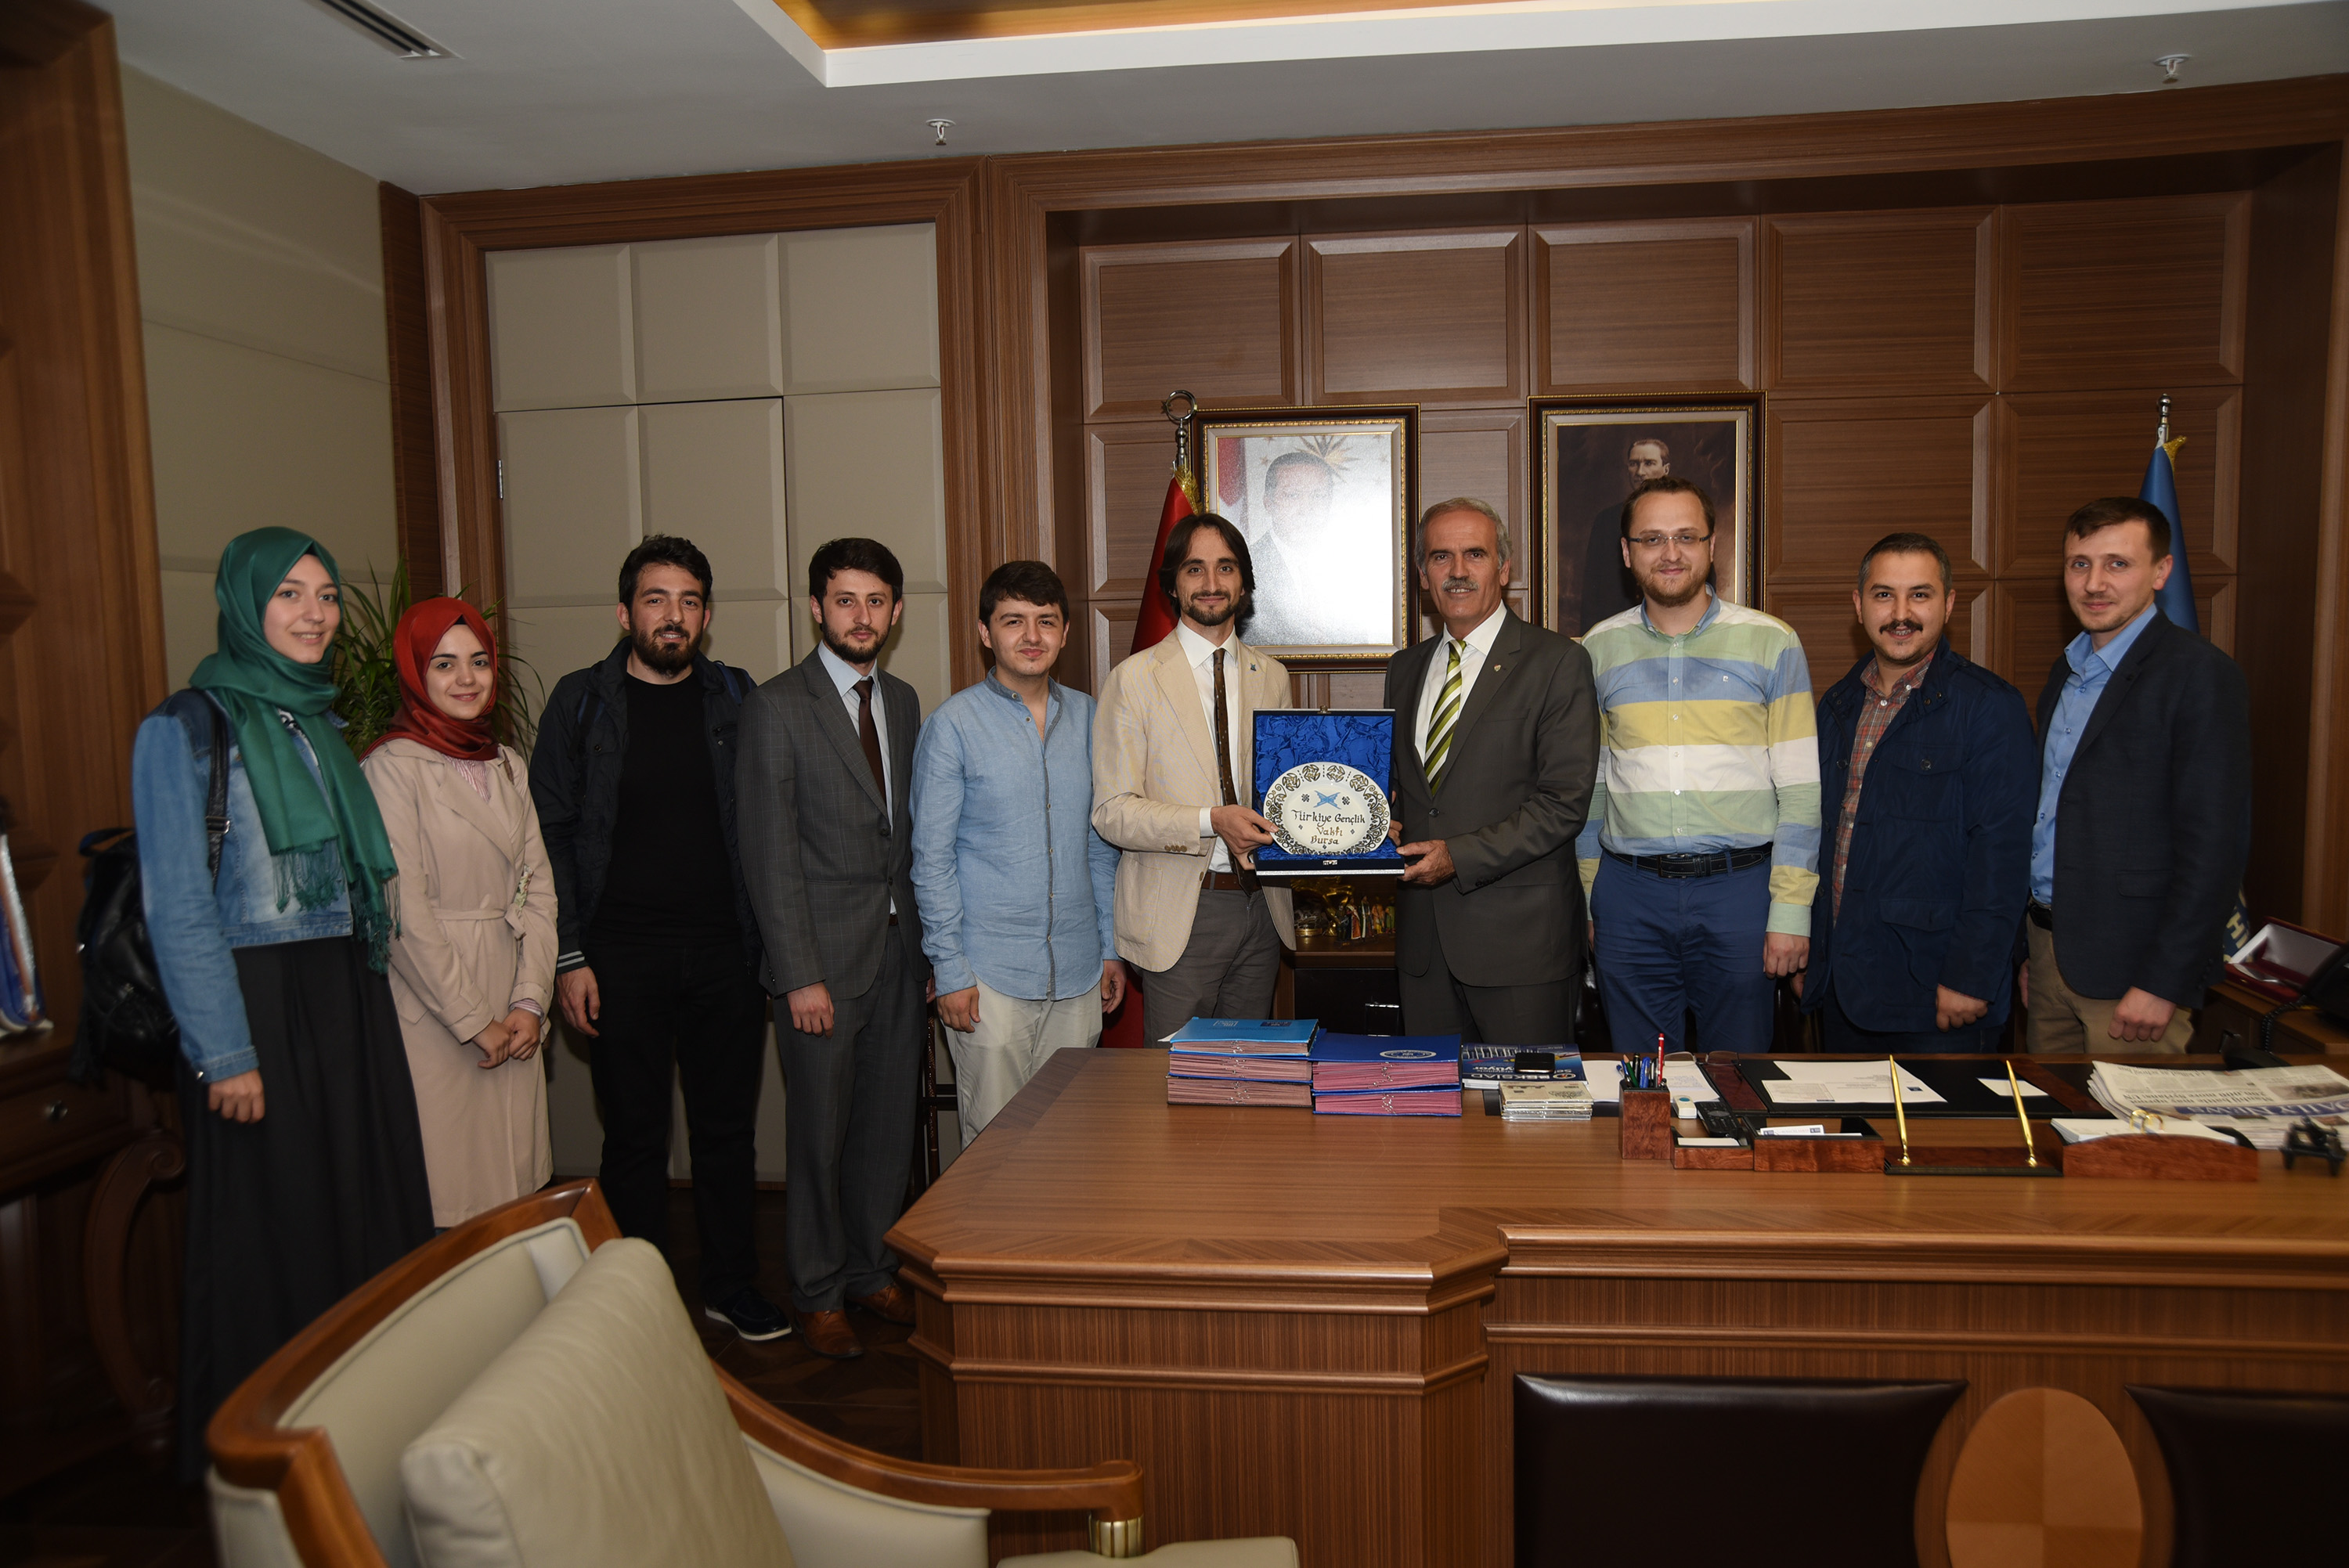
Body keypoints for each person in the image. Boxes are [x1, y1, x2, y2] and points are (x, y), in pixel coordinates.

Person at [132, 527, 432, 1476]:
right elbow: (178, 904)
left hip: (345, 996)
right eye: (290, 594)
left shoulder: (318, 720)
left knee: (359, 1216)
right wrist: (226, 1052)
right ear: (244, 603)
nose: (316, 614)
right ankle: (264, 1459)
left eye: (327, 594)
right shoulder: (184, 726)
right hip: (254, 1007)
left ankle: (356, 1438)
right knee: (272, 1235)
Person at [528, 535, 781, 1341]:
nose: (673, 615)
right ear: (624, 611)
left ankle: (730, 1284)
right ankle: (634, 1299)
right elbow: (549, 835)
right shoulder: (580, 702)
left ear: (706, 615)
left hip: (725, 954)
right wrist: (570, 954)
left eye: (689, 601)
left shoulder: (737, 697)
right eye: (656, 599)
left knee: (726, 1134)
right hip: (618, 957)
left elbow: (772, 816)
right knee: (634, 1137)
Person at [738, 537, 930, 1359]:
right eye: (845, 600)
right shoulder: (777, 706)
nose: (862, 616)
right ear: (817, 607)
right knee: (819, 1136)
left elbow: (908, 837)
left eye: (876, 601)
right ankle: (817, 1289)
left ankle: (869, 1268)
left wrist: (929, 954)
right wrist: (798, 974)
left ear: (896, 611)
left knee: (886, 1130)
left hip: (899, 955)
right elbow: (768, 852)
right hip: (819, 966)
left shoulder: (905, 701)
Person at [1575, 476, 1819, 1051]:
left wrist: (1790, 911)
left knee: (1737, 1075)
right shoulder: (1595, 650)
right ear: (1627, 552)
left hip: (1740, 892)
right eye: (1652, 538)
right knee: (1640, 1077)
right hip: (1628, 896)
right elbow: (1592, 791)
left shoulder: (1773, 642)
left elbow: (1801, 794)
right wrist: (1590, 900)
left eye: (1687, 536)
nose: (1671, 552)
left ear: (1713, 546)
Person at [2023, 496, 2251, 1053]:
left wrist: (2164, 981)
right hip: (2049, 956)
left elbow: (2214, 848)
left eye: (2117, 564)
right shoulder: (2065, 672)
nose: (2094, 583)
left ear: (2161, 571)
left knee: (2129, 1115)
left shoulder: (2200, 675)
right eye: (2080, 564)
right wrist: (2032, 954)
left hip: (2135, 977)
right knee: (2050, 1110)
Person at [911, 561, 1124, 1144]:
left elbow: (1100, 848)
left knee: (1070, 1145)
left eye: (1046, 621)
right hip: (989, 980)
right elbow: (932, 861)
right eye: (1013, 621)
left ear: (1065, 633)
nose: (1032, 636)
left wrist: (1110, 948)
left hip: (1079, 973)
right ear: (986, 633)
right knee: (996, 1152)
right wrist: (950, 971)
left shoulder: (1092, 717)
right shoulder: (952, 726)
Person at [360, 597, 557, 1227]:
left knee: (515, 1202)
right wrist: (475, 1019)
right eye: (444, 664)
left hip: (511, 998)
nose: (467, 678)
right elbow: (401, 912)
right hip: (437, 1007)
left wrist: (530, 1001)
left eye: (479, 661)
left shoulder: (507, 764)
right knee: (451, 1207)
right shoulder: (390, 767)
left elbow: (539, 890)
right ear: (415, 672)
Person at [1796, 533, 2036, 1051]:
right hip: (1843, 988)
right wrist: (1815, 958)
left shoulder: (1989, 707)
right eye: (1884, 595)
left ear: (1948, 605)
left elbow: (2003, 854)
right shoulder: (1837, 705)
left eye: (1920, 595)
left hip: (1939, 993)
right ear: (1858, 605)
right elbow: (1822, 837)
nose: (1900, 613)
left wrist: (1972, 975)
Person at [1383, 498, 1600, 1043]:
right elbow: (1405, 791)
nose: (1457, 571)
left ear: (1503, 569)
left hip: (1522, 950)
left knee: (1528, 1099)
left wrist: (1458, 856)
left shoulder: (1557, 662)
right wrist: (1373, 825)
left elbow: (1563, 804)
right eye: (1441, 556)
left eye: (1474, 554)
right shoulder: (1404, 669)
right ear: (1423, 575)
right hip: (1423, 949)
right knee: (1430, 1096)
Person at [1093, 514, 1295, 1047]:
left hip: (1263, 907)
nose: (1211, 582)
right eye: (1194, 568)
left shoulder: (1273, 677)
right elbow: (1112, 811)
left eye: (1226, 567)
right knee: (1177, 1081)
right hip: (1182, 912)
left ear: (1244, 584)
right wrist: (1211, 821)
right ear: (1172, 584)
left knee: (1250, 1075)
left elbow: (1287, 793)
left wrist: (1357, 826)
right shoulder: (1134, 679)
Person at [1574, 438, 1669, 632]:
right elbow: (1592, 592)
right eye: (1634, 464)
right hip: (1618, 633)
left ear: (1665, 469)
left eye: (1649, 463)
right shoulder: (1607, 520)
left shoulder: (1684, 519)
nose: (1640, 472)